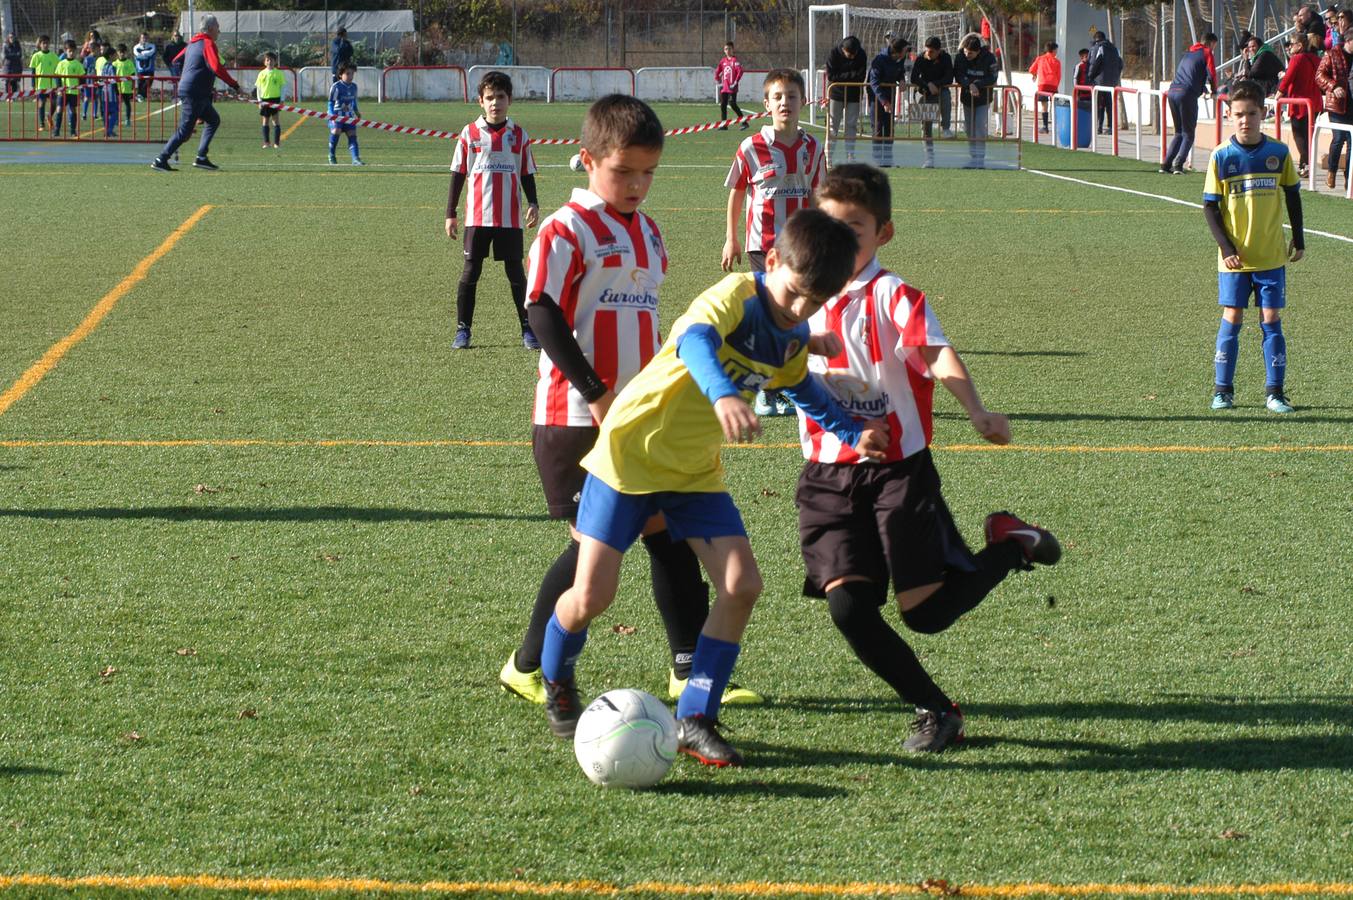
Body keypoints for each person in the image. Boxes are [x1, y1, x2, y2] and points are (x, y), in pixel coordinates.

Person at [537, 207, 889, 766]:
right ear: (771, 260)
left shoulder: (794, 334)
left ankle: (696, 716)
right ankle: (555, 677)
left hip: (694, 473)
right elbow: (695, 344)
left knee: (742, 584)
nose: (800, 308)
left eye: (816, 302)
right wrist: (724, 394)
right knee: (592, 598)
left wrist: (852, 433)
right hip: (631, 456)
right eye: (796, 292)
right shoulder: (733, 295)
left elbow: (801, 391)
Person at [500, 94, 764, 716]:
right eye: (624, 171)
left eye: (648, 172)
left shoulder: (647, 230)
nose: (637, 184)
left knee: (668, 537)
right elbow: (541, 312)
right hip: (573, 418)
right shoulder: (564, 228)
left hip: (642, 421)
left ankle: (687, 669)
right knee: (591, 554)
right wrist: (595, 392)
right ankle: (527, 665)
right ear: (588, 160)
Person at [801, 163, 1061, 753]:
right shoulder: (800, 294)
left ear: (882, 234)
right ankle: (936, 709)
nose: (840, 240)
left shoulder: (893, 294)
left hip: (898, 473)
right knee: (848, 607)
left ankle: (1008, 546)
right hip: (827, 475)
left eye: (854, 229)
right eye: (829, 225)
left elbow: (935, 352)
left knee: (924, 615)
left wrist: (977, 410)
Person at [721, 68, 826, 417]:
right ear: (766, 104)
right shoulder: (751, 147)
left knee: (795, 317)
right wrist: (730, 238)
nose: (785, 103)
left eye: (792, 96)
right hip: (761, 246)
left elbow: (817, 195)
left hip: (798, 248)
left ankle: (787, 385)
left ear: (802, 102)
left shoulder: (814, 147)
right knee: (769, 317)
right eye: (778, 97)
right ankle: (765, 391)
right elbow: (737, 193)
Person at [1204, 80, 1303, 414]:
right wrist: (1226, 247)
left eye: (1251, 113)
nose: (1245, 119)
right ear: (1230, 115)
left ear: (1263, 114)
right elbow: (1210, 208)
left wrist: (1299, 239)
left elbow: (1292, 195)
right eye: (1238, 114)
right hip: (1234, 259)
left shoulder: (1278, 153)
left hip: (1271, 255)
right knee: (1232, 317)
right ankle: (1223, 391)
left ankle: (1275, 393)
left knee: (1271, 318)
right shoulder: (1221, 156)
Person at [445, 70, 538, 350]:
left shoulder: (519, 135)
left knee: (515, 273)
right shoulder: (469, 133)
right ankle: (463, 330)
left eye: (500, 97)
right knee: (471, 271)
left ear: (509, 100)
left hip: (509, 217)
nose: (495, 102)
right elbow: (458, 173)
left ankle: (528, 329)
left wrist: (533, 202)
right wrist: (450, 212)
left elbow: (526, 173)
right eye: (489, 98)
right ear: (480, 102)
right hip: (477, 215)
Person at [151, 15, 242, 173]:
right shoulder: (208, 43)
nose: (219, 31)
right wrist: (234, 85)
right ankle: (161, 159)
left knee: (213, 120)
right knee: (185, 130)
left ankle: (201, 157)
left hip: (195, 91)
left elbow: (176, 60)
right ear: (211, 28)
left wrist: (188, 73)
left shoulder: (193, 43)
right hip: (195, 92)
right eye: (218, 28)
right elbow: (216, 67)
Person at [1162, 33, 1218, 174]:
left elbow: (1190, 74)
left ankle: (1165, 164)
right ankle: (1179, 165)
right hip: (1186, 94)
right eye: (1214, 46)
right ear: (1211, 44)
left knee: (1178, 132)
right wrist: (1214, 90)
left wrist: (1202, 88)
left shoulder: (1188, 54)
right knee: (1189, 133)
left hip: (1172, 91)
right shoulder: (1207, 53)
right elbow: (1211, 73)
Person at [1278, 34, 1323, 178]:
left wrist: (1279, 93)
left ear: (1300, 45)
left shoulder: (1297, 59)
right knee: (1308, 135)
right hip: (1314, 102)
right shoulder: (1316, 58)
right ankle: (1305, 166)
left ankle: (1307, 164)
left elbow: (1288, 78)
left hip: (1300, 102)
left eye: (1292, 44)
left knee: (1299, 135)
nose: (1289, 47)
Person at [953, 33, 998, 169]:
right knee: (968, 129)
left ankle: (980, 159)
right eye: (966, 52)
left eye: (971, 53)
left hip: (983, 99)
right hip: (967, 98)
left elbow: (993, 77)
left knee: (979, 127)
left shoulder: (989, 58)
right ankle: (973, 158)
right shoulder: (961, 56)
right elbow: (958, 74)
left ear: (978, 52)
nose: (968, 55)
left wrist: (977, 84)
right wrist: (969, 84)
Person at [1316, 28, 1353, 188]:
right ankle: (1331, 171)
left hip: (1351, 105)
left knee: (1352, 143)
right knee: (1339, 138)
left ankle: (1349, 178)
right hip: (1337, 105)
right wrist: (1333, 86)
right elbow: (1319, 75)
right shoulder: (1332, 54)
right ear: (1349, 41)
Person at [911, 36, 954, 164]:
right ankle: (928, 157)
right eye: (926, 50)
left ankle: (945, 127)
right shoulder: (920, 58)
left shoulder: (946, 58)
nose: (928, 54)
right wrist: (927, 85)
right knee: (925, 127)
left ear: (938, 51)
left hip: (940, 91)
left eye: (931, 52)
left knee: (946, 95)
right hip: (924, 93)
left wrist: (936, 84)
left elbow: (949, 77)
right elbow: (914, 78)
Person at [867, 37, 908, 168]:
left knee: (889, 127)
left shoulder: (900, 58)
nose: (907, 52)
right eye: (905, 50)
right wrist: (884, 101)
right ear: (897, 51)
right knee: (878, 127)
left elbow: (900, 71)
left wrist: (901, 79)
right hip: (877, 97)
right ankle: (878, 160)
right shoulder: (879, 60)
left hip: (891, 94)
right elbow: (874, 82)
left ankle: (888, 159)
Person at [825, 35, 867, 162]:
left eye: (854, 54)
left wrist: (843, 77)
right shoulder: (833, 53)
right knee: (833, 125)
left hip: (854, 95)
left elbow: (861, 76)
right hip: (836, 94)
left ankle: (850, 155)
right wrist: (850, 75)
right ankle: (828, 156)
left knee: (851, 125)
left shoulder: (861, 54)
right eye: (849, 55)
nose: (853, 57)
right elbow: (832, 76)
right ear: (843, 49)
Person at [1088, 30, 1124, 134]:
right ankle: (1110, 127)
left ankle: (1098, 126)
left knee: (1099, 104)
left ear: (1096, 39)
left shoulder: (1099, 47)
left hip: (1100, 81)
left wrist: (1090, 77)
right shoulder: (1115, 49)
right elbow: (1120, 64)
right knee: (1109, 104)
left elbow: (1096, 63)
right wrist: (1116, 76)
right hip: (1112, 81)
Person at [327, 63, 363, 166]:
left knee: (352, 135)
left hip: (349, 116)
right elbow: (330, 103)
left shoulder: (354, 87)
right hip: (337, 115)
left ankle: (356, 159)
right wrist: (332, 115)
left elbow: (353, 101)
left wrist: (356, 112)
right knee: (336, 131)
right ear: (340, 75)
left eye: (352, 74)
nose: (350, 76)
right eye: (348, 74)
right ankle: (331, 155)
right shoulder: (336, 87)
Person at [255, 51, 286, 149]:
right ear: (264, 62)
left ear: (275, 62)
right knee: (265, 121)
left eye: (271, 60)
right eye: (267, 60)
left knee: (275, 121)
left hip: (275, 99)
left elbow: (283, 87)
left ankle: (276, 143)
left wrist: (282, 99)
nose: (269, 62)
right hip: (264, 99)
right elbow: (258, 88)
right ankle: (266, 142)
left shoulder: (279, 73)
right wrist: (259, 100)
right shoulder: (261, 73)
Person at [52, 40, 83, 137]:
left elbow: (82, 78)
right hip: (63, 92)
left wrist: (81, 89)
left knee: (73, 110)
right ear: (66, 51)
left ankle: (73, 131)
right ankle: (57, 130)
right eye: (70, 51)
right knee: (59, 109)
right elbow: (57, 77)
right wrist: (59, 89)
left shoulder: (78, 64)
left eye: (73, 51)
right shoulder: (61, 63)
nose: (71, 53)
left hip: (73, 92)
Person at [714, 41, 747, 129]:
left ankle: (744, 122)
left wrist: (735, 82)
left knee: (732, 104)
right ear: (724, 50)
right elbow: (717, 71)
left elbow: (740, 71)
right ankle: (724, 125)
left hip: (732, 88)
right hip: (724, 88)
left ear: (733, 50)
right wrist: (717, 80)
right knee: (723, 105)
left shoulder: (735, 61)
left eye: (729, 49)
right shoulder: (723, 61)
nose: (727, 50)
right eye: (726, 49)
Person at [1029, 41, 1060, 133]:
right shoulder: (1057, 61)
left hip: (1042, 84)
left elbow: (1031, 69)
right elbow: (1059, 75)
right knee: (1054, 105)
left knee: (1044, 105)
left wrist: (1035, 74)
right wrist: (1056, 83)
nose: (1057, 52)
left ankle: (1045, 126)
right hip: (1053, 84)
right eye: (1056, 50)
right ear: (1053, 50)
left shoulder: (1040, 59)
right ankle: (1055, 125)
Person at [29, 35, 59, 132]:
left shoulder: (54, 56)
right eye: (43, 43)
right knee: (41, 104)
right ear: (40, 44)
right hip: (40, 85)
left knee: (54, 103)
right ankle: (42, 124)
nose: (45, 45)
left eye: (47, 43)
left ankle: (49, 116)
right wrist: (33, 84)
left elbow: (58, 71)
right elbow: (33, 71)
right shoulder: (36, 56)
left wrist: (59, 85)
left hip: (52, 86)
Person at [113, 44, 136, 126]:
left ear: (125, 52)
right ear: (117, 53)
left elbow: (133, 75)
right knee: (116, 105)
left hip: (127, 88)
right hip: (117, 88)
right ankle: (115, 119)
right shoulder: (114, 64)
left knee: (127, 104)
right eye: (120, 52)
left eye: (123, 52)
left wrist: (133, 86)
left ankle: (127, 119)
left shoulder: (129, 63)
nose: (121, 54)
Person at [133, 32, 156, 101]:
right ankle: (140, 96)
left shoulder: (152, 46)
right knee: (140, 83)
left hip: (150, 69)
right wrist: (145, 54)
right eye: (143, 38)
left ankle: (143, 96)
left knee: (148, 83)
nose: (144, 39)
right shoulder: (136, 47)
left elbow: (151, 52)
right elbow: (137, 55)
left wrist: (143, 53)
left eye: (145, 38)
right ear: (140, 38)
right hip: (140, 69)